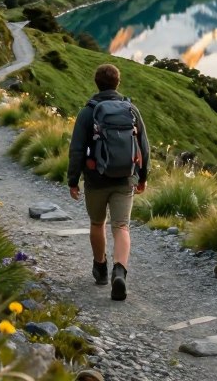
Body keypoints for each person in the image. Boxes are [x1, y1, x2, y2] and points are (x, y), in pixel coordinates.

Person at [68, 63, 150, 301]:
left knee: (97, 223)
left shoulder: (88, 112)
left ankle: (101, 268)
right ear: (118, 82)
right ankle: (120, 272)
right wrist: (143, 177)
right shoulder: (131, 110)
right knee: (121, 226)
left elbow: (77, 150)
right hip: (125, 178)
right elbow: (144, 147)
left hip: (95, 178)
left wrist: (73, 180)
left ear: (97, 83)